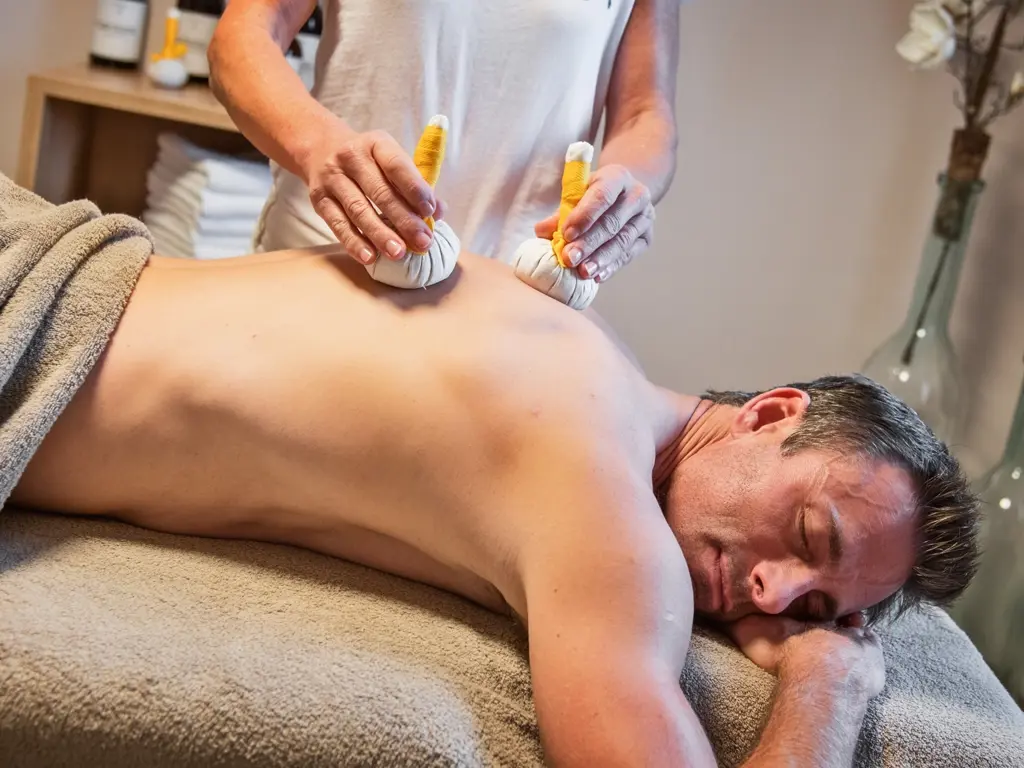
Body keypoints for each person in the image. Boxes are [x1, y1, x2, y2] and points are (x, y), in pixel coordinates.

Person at [11, 242, 978, 767]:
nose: (773, 594)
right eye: (808, 533)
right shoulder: (604, 506)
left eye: (815, 607)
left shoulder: (581, 344)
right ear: (768, 414)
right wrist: (827, 689)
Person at [207, 0, 678, 283]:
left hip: (518, 295)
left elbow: (644, 111)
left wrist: (624, 189)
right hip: (332, 260)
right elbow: (242, 36)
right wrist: (318, 144)